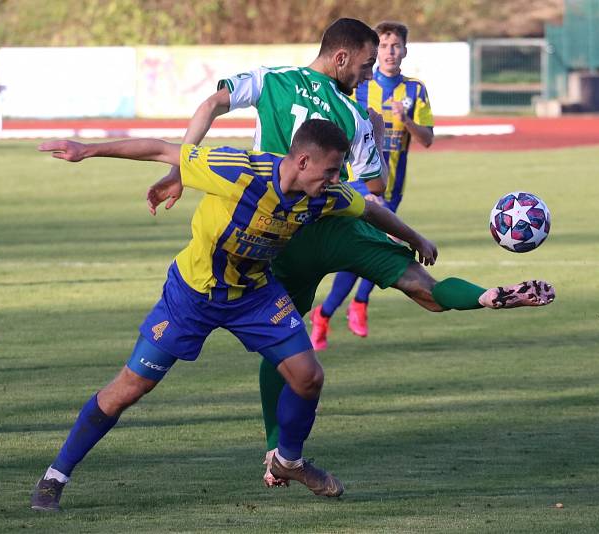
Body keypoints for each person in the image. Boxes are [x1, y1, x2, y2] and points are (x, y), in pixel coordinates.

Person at [145, 17, 556, 488]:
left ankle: (276, 450)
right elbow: (375, 189)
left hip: (278, 233)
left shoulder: (271, 79)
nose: (366, 75)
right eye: (363, 66)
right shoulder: (356, 116)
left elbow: (213, 101)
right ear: (341, 58)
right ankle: (489, 296)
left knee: (282, 341)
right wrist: (377, 160)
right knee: (423, 288)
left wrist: (183, 165)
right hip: (336, 223)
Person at [29, 119, 439, 511]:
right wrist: (87, 150)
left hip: (254, 295)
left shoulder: (325, 195)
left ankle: (288, 462)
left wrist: (415, 237)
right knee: (130, 388)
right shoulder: (237, 171)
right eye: (330, 171)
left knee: (308, 376)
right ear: (302, 162)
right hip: (191, 295)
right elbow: (159, 149)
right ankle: (55, 476)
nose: (335, 180)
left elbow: (367, 207)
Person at [313, 21, 436, 349]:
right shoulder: (359, 85)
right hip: (361, 186)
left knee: (365, 254)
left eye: (396, 46)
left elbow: (427, 140)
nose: (390, 52)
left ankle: (325, 315)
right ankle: (356, 306)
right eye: (384, 46)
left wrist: (406, 120)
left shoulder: (415, 91)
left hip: (393, 187)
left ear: (405, 50)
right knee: (378, 246)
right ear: (375, 51)